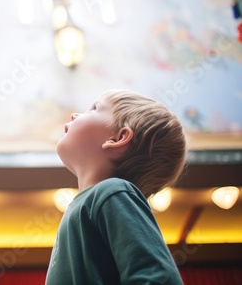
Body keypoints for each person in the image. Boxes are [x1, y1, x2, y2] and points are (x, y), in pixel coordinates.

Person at [46, 89, 187, 285]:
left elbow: (159, 278)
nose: (74, 114)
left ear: (118, 139)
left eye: (94, 108)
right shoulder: (88, 204)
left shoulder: (113, 192)